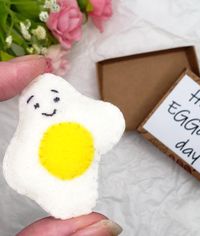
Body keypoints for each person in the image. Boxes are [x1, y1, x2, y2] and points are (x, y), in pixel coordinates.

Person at [0, 55, 122, 236]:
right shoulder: (28, 147)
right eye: (36, 105)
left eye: (56, 100)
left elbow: (108, 121)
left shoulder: (86, 116)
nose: (48, 109)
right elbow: (20, 170)